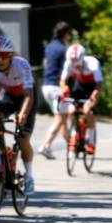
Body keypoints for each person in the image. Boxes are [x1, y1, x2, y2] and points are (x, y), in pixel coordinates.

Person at [0, 35, 36, 194]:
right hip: (9, 96)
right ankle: (2, 156)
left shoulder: (21, 65)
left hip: (26, 98)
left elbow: (28, 94)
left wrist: (23, 114)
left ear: (11, 56)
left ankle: (29, 176)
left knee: (22, 138)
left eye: (3, 55)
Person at [60, 43, 103, 155]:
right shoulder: (69, 63)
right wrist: (64, 88)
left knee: (87, 110)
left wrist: (94, 96)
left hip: (92, 87)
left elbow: (99, 84)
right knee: (71, 110)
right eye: (74, 66)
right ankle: (75, 134)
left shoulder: (93, 63)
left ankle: (91, 142)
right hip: (79, 86)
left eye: (78, 65)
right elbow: (63, 80)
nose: (76, 67)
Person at [38, 21, 72, 159]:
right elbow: (67, 71)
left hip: (46, 85)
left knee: (63, 116)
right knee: (60, 118)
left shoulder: (50, 46)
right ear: (65, 34)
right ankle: (45, 145)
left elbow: (46, 63)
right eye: (69, 33)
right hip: (56, 88)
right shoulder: (63, 49)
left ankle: (71, 144)